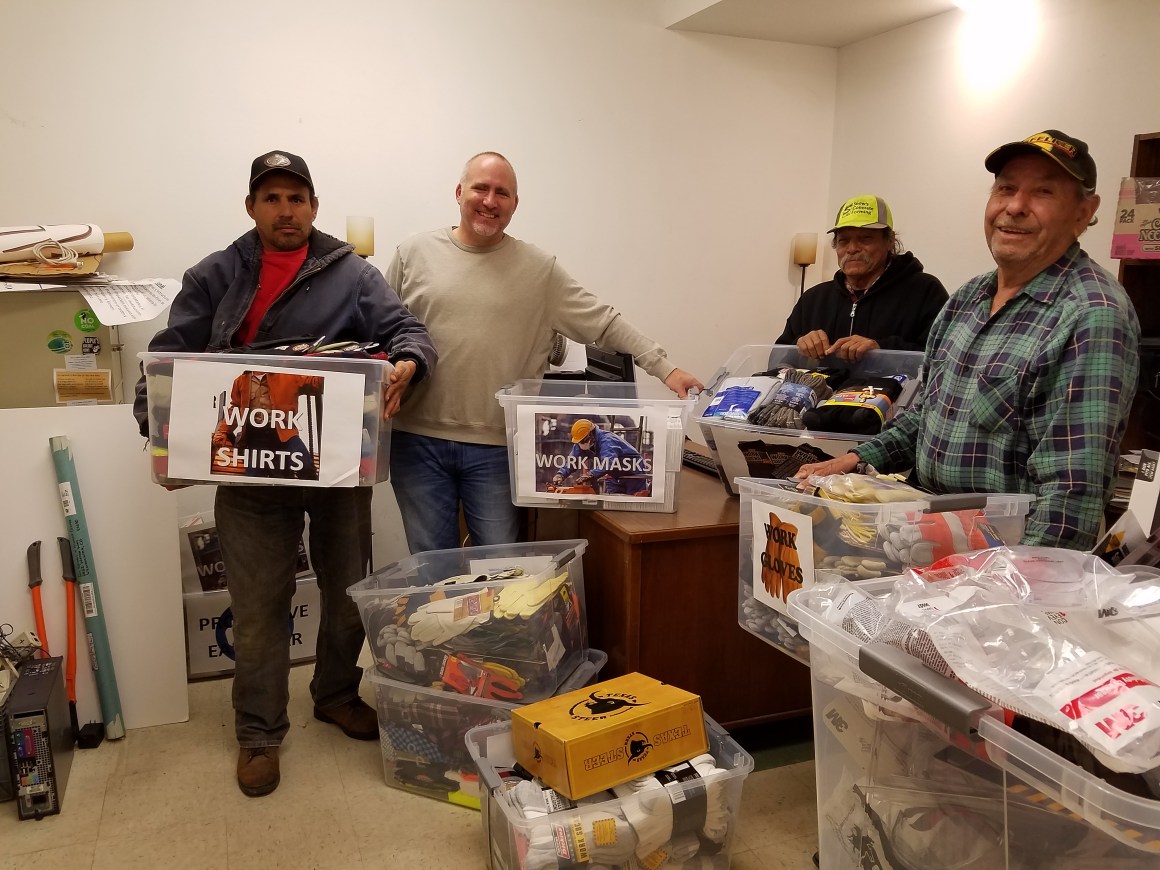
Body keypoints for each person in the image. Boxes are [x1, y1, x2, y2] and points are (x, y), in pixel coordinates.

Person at [133, 150, 438, 798]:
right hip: (251, 476)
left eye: (296, 198)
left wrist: (408, 361)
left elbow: (408, 330)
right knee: (257, 610)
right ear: (251, 207)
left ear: (314, 207)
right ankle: (258, 732)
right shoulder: (213, 275)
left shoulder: (353, 273)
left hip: (335, 474)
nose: (285, 210)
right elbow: (166, 363)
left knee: (348, 592)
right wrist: (160, 439)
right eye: (271, 198)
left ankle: (333, 693)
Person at [796, 130, 1140, 551]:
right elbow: (926, 417)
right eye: (1006, 189)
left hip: (1001, 557)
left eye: (1043, 192)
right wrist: (855, 460)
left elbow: (1071, 493)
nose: (1014, 207)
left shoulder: (1091, 314)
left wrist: (1018, 591)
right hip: (931, 533)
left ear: (1084, 212)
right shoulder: (966, 299)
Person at [385, 151, 702, 552]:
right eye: (481, 188)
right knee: (432, 571)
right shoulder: (412, 254)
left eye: (502, 193)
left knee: (501, 571)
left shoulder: (539, 270)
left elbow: (603, 321)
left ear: (515, 204)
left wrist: (666, 368)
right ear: (459, 191)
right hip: (416, 443)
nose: (489, 200)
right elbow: (380, 330)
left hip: (498, 449)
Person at [776, 195, 948, 362]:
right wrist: (798, 346)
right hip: (820, 392)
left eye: (865, 239)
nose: (852, 249)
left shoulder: (925, 291)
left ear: (889, 241)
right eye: (844, 241)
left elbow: (945, 360)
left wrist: (880, 350)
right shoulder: (813, 299)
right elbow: (776, 362)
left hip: (896, 391)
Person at [212, 369, 323, 479]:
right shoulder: (241, 381)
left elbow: (315, 383)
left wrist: (327, 367)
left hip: (285, 433)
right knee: (254, 475)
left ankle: (311, 495)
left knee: (305, 466)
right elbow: (235, 409)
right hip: (257, 437)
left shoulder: (288, 375)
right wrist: (222, 431)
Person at [549, 419, 650, 495]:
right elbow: (573, 460)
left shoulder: (607, 441)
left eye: (583, 441)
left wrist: (590, 474)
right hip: (614, 476)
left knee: (633, 505)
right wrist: (561, 474)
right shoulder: (583, 442)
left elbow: (607, 463)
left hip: (633, 475)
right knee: (611, 506)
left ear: (591, 436)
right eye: (579, 442)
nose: (581, 444)